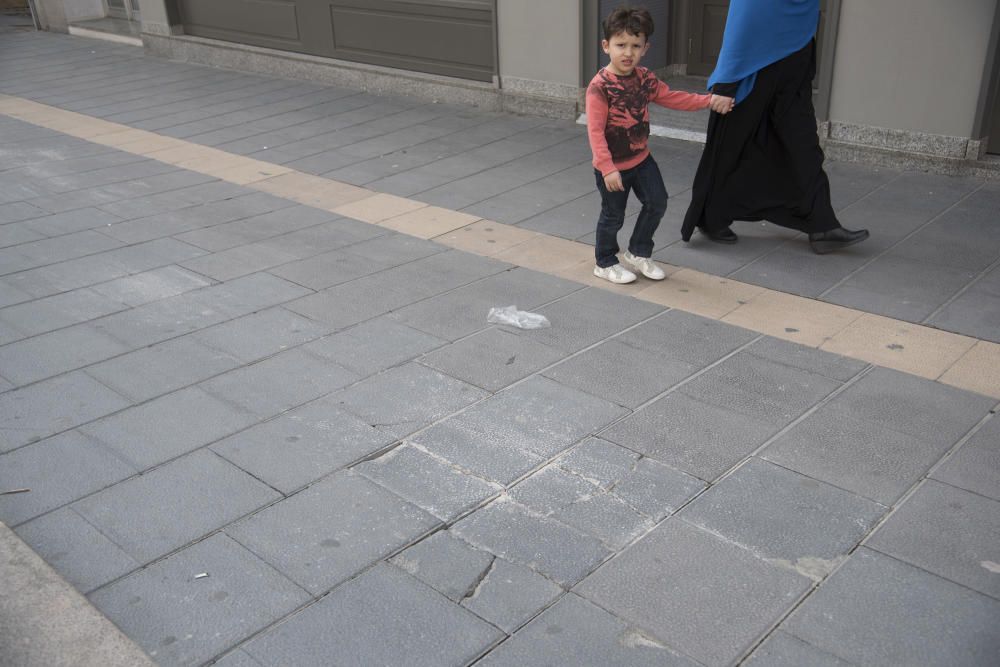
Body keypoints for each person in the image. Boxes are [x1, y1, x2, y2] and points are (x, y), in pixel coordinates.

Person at [681, 0, 869, 254]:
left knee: (802, 144)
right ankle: (711, 217)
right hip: (755, 65)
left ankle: (822, 224)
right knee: (731, 144)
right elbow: (744, 16)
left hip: (795, 58)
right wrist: (727, 81)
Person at [587, 6, 734, 284]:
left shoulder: (644, 78)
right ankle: (604, 262)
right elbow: (595, 132)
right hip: (612, 167)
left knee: (657, 202)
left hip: (641, 159)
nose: (628, 52)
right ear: (606, 46)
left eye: (635, 45)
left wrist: (708, 101)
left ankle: (638, 253)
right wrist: (607, 169)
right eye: (621, 45)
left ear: (645, 48)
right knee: (612, 216)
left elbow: (672, 97)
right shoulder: (600, 86)